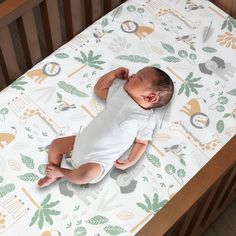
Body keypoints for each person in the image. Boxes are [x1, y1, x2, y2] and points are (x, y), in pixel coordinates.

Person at [38, 66, 174, 187]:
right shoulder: (121, 93)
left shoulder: (146, 119)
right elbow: (99, 90)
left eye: (139, 77)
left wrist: (131, 161)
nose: (132, 75)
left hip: (97, 162)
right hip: (79, 143)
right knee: (56, 145)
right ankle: (51, 175)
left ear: (150, 98)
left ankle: (62, 172)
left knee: (85, 175)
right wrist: (113, 74)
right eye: (136, 73)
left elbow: (141, 142)